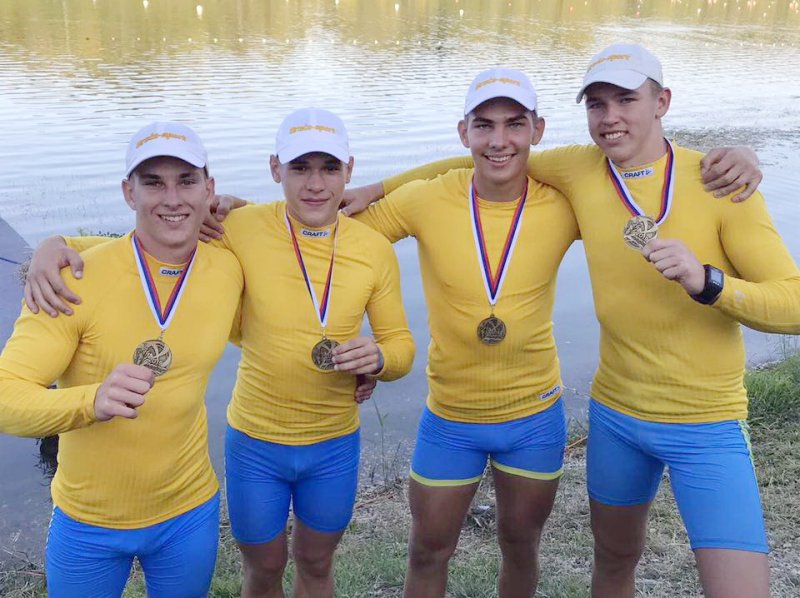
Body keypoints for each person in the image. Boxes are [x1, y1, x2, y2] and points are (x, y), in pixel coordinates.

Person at [346, 44, 800, 598]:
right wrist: (378, 189)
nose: (610, 117)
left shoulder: (719, 183)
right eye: (597, 104)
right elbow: (478, 160)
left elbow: (794, 305)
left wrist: (710, 282)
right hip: (616, 417)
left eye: (626, 100)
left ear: (662, 101)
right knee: (612, 562)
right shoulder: (581, 170)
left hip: (706, 424)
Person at [23, 108, 415, 598]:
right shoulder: (240, 227)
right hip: (255, 441)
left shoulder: (370, 249)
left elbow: (401, 346)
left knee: (317, 564)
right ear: (275, 169)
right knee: (263, 569)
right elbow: (147, 242)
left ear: (349, 170)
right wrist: (54, 245)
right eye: (299, 168)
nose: (315, 184)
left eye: (329, 168)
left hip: (331, 443)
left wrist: (379, 359)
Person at [0, 122, 244, 597]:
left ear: (209, 190)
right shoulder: (72, 281)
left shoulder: (229, 267)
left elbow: (289, 230)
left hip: (188, 512)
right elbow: (6, 398)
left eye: (186, 181)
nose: (172, 198)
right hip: (88, 522)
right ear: (128, 192)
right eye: (153, 183)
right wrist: (91, 401)